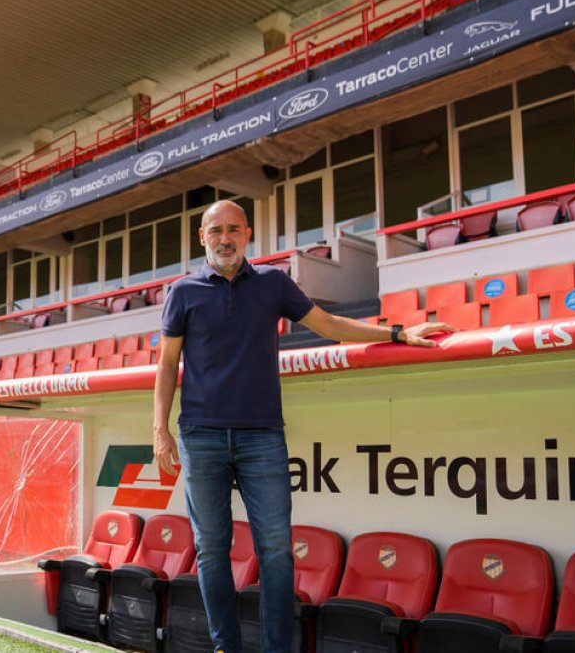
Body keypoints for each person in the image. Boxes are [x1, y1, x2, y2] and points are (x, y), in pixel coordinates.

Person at [152, 199, 452, 653]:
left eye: (234, 230)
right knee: (212, 550)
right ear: (202, 237)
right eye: (216, 231)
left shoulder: (272, 283)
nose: (225, 239)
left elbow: (327, 323)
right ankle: (225, 648)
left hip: (261, 435)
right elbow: (168, 362)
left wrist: (396, 334)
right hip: (201, 435)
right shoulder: (184, 292)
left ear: (248, 234)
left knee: (275, 550)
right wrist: (160, 429)